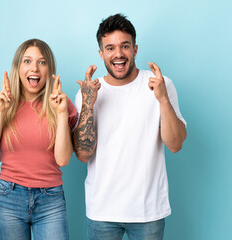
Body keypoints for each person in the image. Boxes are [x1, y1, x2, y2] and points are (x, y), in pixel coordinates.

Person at [73, 14, 187, 240]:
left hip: (148, 212)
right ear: (101, 53)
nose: (118, 54)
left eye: (125, 46)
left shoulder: (160, 85)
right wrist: (87, 104)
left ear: (135, 49)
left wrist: (163, 99)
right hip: (102, 211)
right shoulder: (89, 92)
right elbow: (83, 154)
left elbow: (175, 144)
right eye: (110, 48)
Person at [0, 39, 77, 240]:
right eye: (27, 61)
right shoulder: (3, 104)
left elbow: (63, 160)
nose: (35, 68)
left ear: (49, 68)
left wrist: (60, 113)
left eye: (42, 62)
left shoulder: (60, 103)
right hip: (9, 197)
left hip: (51, 199)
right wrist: (0, 112)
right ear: (17, 67)